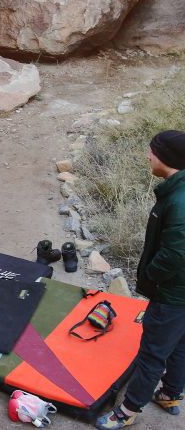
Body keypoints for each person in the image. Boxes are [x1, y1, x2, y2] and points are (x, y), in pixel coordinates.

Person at [96, 130, 185, 429]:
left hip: (173, 293)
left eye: (152, 151)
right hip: (181, 293)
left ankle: (128, 411)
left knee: (152, 353)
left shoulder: (180, 200)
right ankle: (171, 394)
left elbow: (176, 253)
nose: (148, 156)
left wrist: (151, 278)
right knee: (180, 343)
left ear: (167, 159)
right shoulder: (178, 189)